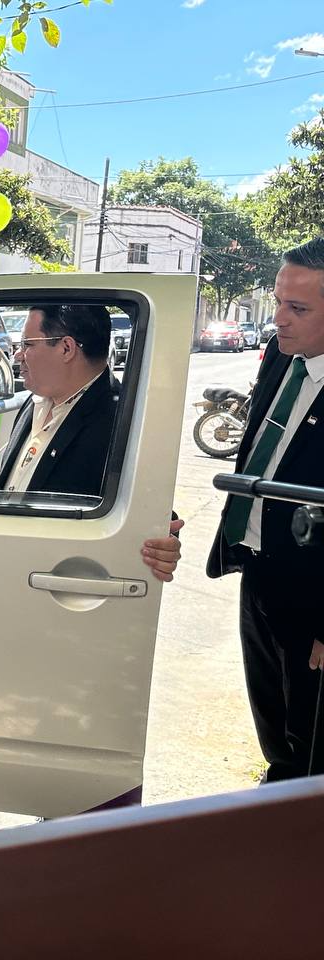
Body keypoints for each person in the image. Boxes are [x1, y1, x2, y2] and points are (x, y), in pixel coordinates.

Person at [207, 237, 324, 782]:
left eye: (297, 309)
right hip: (258, 565)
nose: (278, 319)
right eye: (277, 301)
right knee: (273, 723)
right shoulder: (281, 354)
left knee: (311, 736)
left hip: (314, 589)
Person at [0, 303, 183, 582]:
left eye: (27, 344)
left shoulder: (121, 420)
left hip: (52, 584)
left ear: (67, 348)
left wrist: (164, 544)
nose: (18, 355)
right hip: (0, 569)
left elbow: (148, 509)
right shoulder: (32, 404)